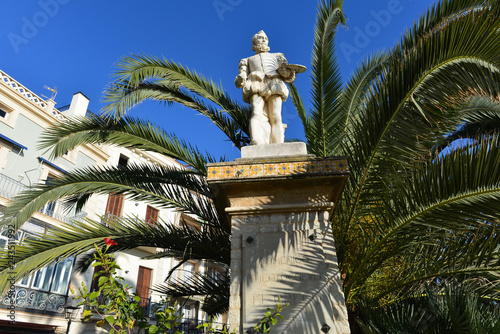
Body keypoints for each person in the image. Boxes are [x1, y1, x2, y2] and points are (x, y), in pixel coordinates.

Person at [235, 30, 304, 145]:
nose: (263, 40)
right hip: (256, 83)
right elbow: (242, 76)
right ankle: (255, 140)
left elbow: (288, 75)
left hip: (274, 83)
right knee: (256, 113)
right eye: (260, 38)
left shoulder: (277, 56)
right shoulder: (246, 60)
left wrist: (284, 71)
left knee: (275, 115)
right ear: (254, 42)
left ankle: (279, 144)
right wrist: (240, 79)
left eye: (265, 39)